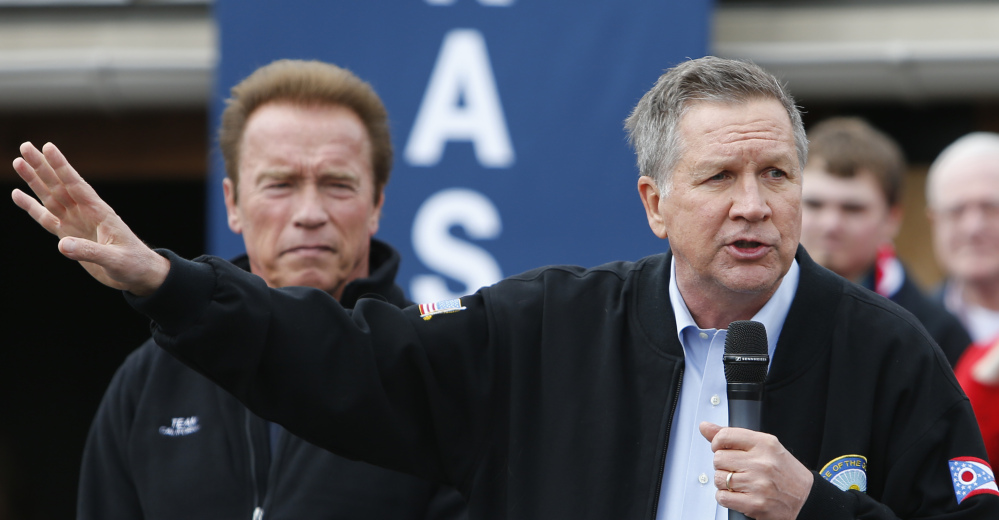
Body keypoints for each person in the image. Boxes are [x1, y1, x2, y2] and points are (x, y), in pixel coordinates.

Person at [12, 56, 999, 519]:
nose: (753, 206)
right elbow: (352, 355)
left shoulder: (890, 350)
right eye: (719, 177)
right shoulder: (544, 325)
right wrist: (166, 283)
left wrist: (816, 511)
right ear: (654, 203)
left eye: (775, 175)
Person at [71, 59, 466, 519]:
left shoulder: (430, 375)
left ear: (376, 203)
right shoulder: (148, 384)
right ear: (233, 204)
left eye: (337, 184)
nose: (309, 212)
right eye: (280, 184)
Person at [799, 117, 971, 366]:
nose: (831, 224)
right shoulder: (750, 312)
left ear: (892, 218)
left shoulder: (938, 333)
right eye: (814, 204)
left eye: (853, 208)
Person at [927, 132, 999, 467]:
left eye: (991, 207)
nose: (973, 226)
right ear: (934, 222)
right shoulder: (908, 329)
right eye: (956, 211)